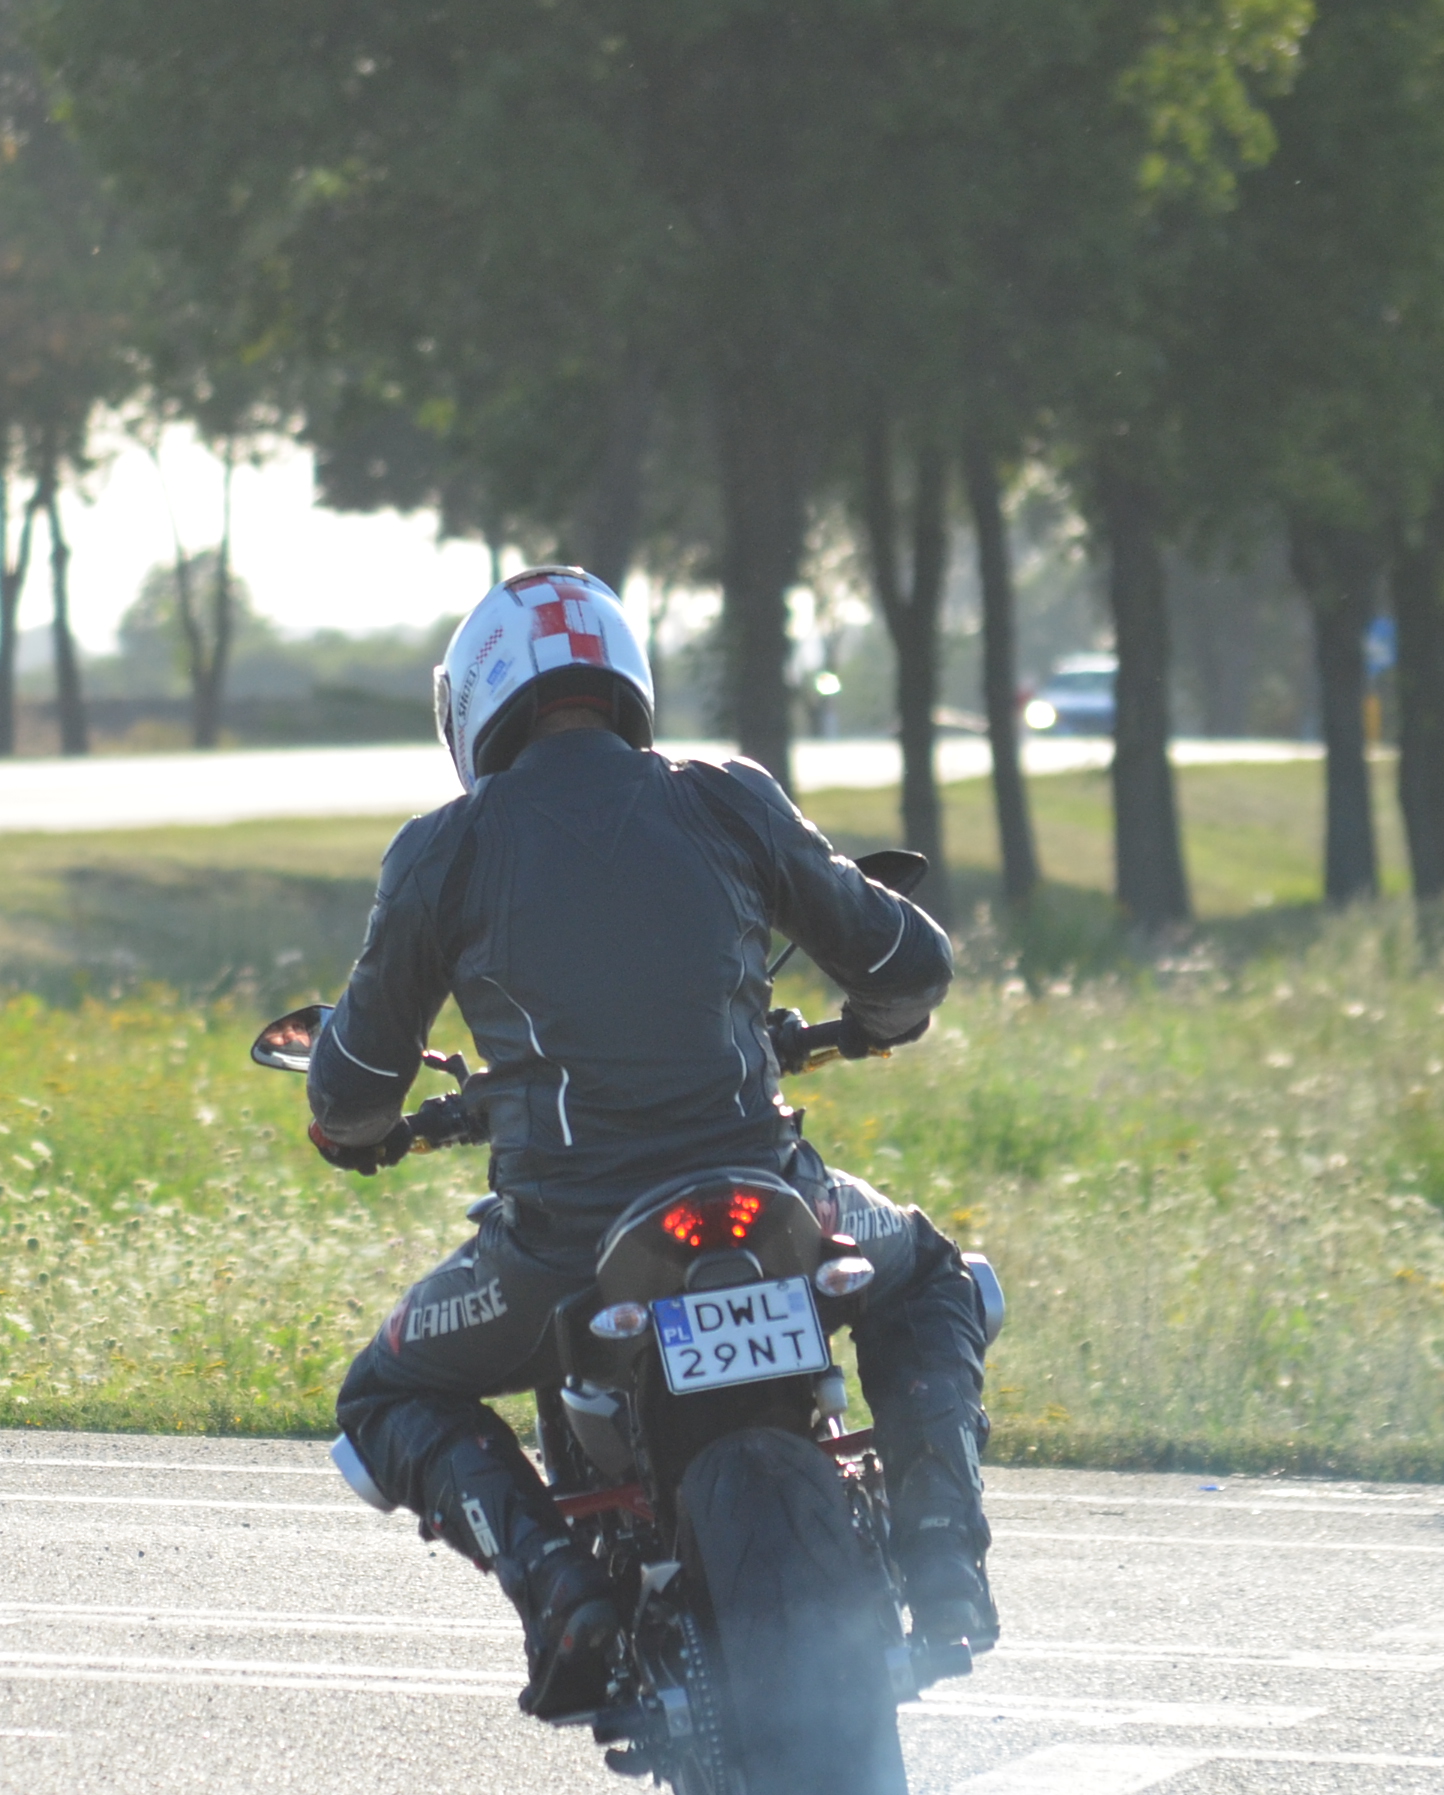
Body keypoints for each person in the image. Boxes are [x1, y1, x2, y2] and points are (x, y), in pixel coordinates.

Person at [305, 567, 1001, 1720]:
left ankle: (559, 1591)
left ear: (472, 708)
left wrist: (360, 1130)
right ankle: (941, 1553)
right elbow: (908, 965)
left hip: (562, 1249)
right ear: (624, 678)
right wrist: (878, 1018)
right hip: (773, 1195)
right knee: (930, 1273)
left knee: (385, 1389)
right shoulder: (726, 796)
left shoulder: (444, 850)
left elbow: (353, 1088)